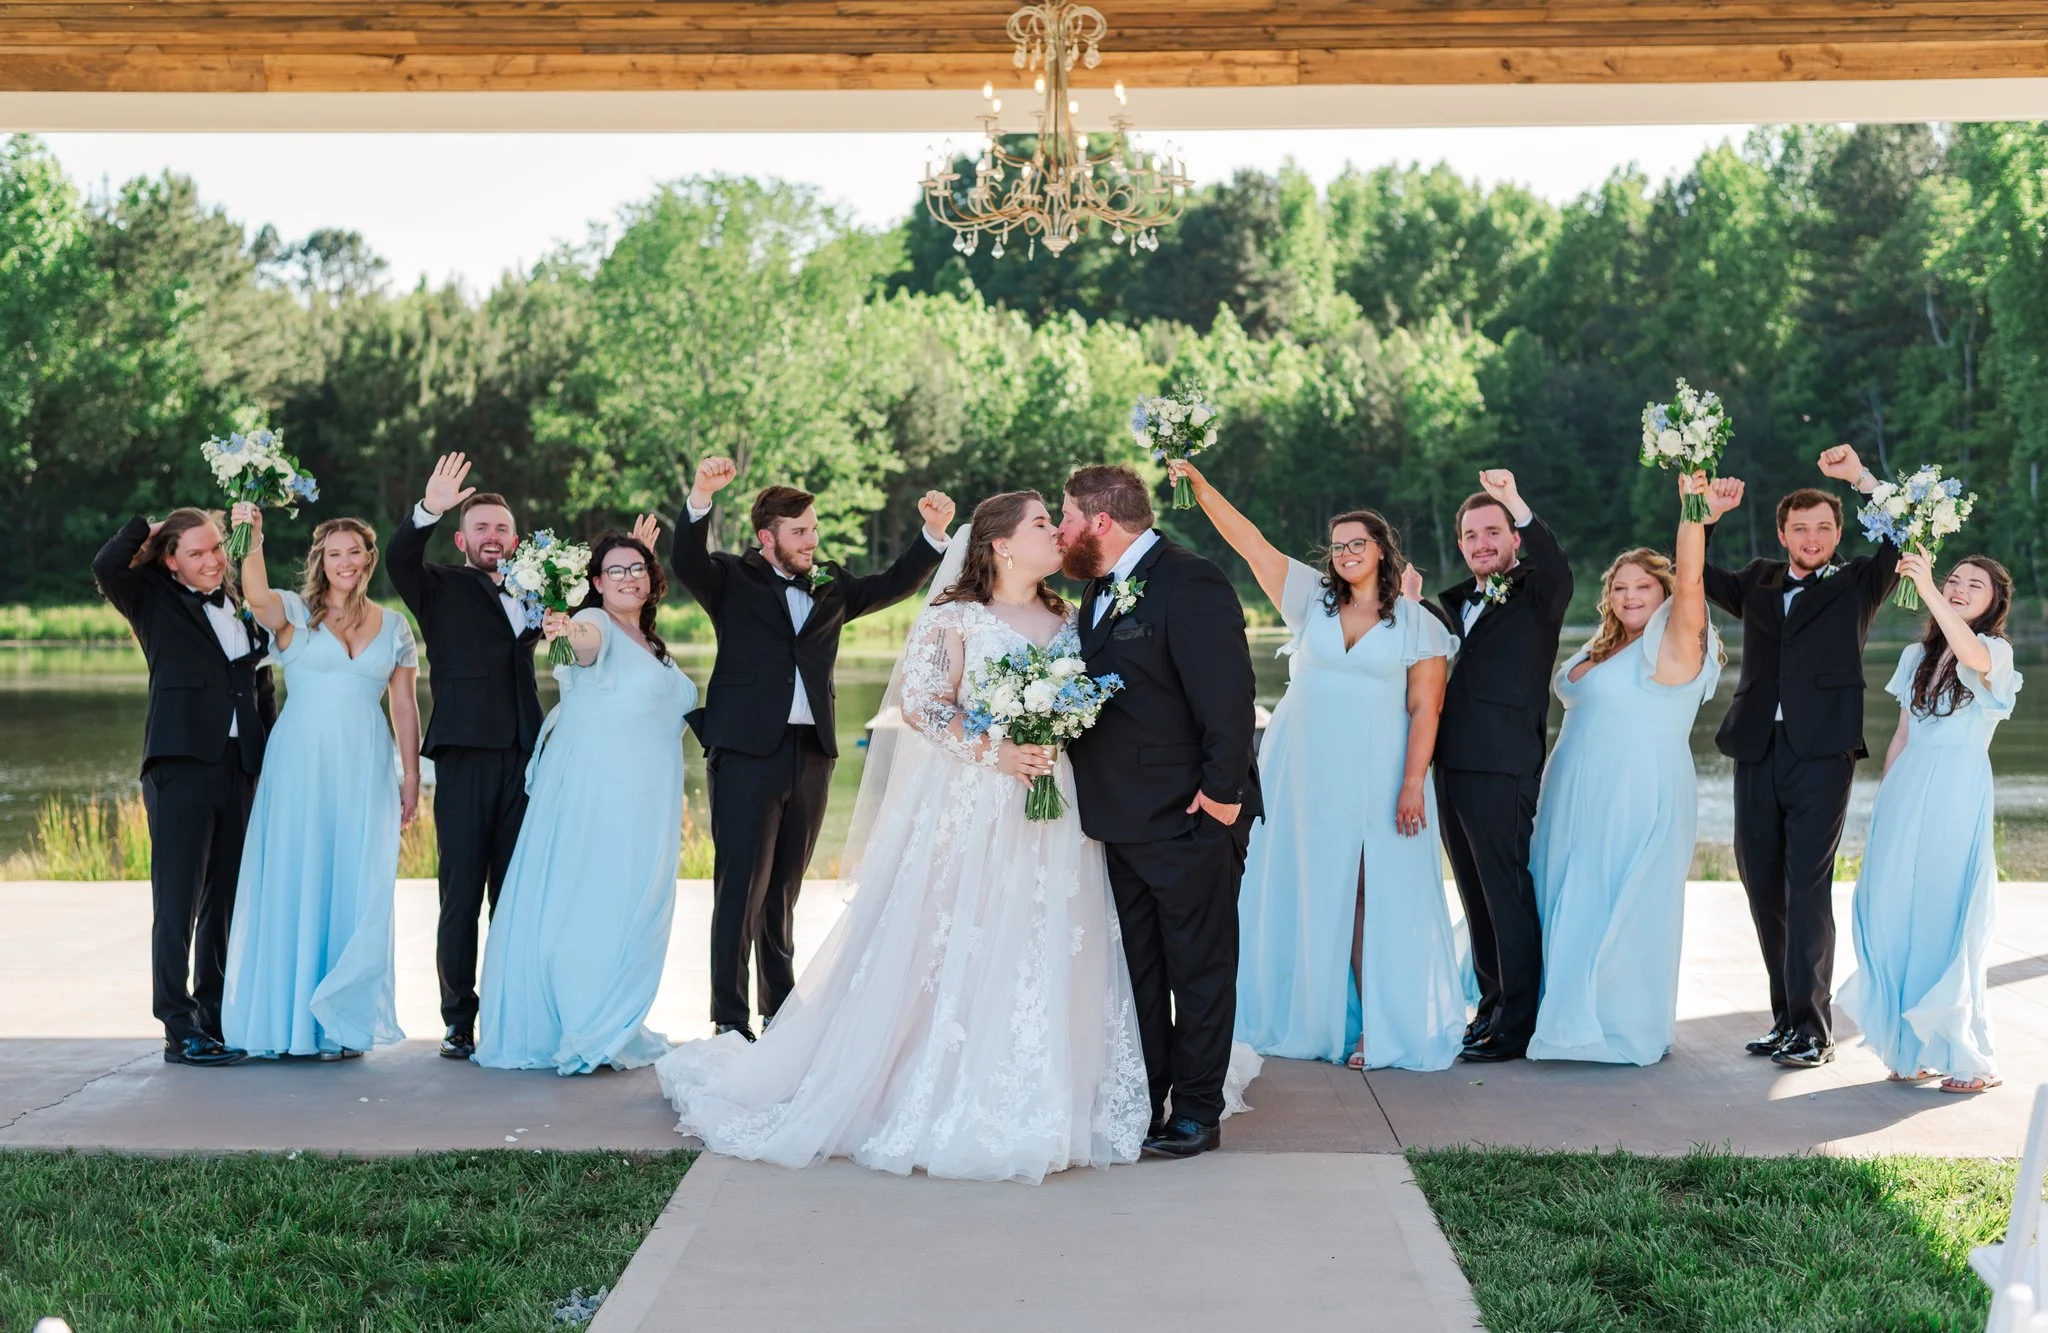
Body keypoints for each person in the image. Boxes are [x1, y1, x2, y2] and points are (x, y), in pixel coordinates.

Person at [659, 491, 1175, 1182]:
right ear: (1001, 544)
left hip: (1056, 808)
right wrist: (998, 750)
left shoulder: (1067, 614)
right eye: (1043, 523)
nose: (1058, 530)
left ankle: (1054, 1086)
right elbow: (922, 704)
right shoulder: (956, 616)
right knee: (958, 937)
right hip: (978, 802)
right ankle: (932, 1084)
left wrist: (1054, 732)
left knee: (1049, 934)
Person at [1169, 459, 1464, 1072]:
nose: (1347, 553)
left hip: (1377, 774)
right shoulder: (1311, 602)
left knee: (1366, 892)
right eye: (1338, 547)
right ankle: (1303, 1011)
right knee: (1299, 884)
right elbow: (1251, 544)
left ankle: (1373, 1027)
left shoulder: (1417, 625)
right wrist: (1201, 487)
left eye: (1358, 544)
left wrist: (1413, 785)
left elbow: (1425, 710)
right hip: (1300, 771)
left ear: (1383, 551)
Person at [670, 457, 952, 1042]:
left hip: (812, 756)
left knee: (784, 889)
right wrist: (701, 496)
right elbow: (686, 560)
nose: (811, 541)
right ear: (766, 537)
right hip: (746, 753)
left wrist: (930, 536)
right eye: (800, 532)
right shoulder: (729, 578)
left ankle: (778, 1008)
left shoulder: (830, 583)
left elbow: (891, 585)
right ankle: (728, 1017)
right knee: (739, 887)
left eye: (814, 530)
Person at [1062, 464, 1263, 1158]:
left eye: (1066, 519)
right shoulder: (1094, 589)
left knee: (1199, 969)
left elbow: (1230, 700)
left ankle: (1198, 1111)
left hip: (1189, 817)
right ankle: (1149, 1100)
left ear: (1100, 522)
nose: (1061, 533)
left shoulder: (1192, 580)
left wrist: (1220, 801)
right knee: (1140, 972)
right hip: (1116, 821)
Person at [474, 521, 700, 1074]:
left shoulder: (651, 642)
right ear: (595, 583)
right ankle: (583, 1021)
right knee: (595, 899)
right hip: (605, 795)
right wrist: (562, 627)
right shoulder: (593, 623)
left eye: (638, 568)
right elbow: (579, 647)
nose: (629, 577)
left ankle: (615, 1017)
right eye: (616, 570)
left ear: (651, 580)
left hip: (649, 800)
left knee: (633, 905)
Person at [1703, 444, 1896, 1069]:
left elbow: (1908, 532)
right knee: (1763, 884)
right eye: (1799, 528)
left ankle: (1814, 1029)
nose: (1811, 537)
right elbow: (1691, 576)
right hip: (1756, 748)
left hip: (1822, 753)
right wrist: (1700, 517)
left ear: (1838, 533)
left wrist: (1859, 477)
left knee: (1808, 886)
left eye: (1823, 527)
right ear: (1782, 532)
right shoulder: (1757, 579)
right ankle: (1785, 1019)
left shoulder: (1859, 581)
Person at [1526, 473, 1726, 1066]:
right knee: (1558, 892)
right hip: (1571, 794)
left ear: (1665, 596)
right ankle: (1544, 1008)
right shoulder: (1601, 646)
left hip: (1635, 790)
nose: (1630, 595)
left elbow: (1691, 580)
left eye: (1643, 586)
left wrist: (1695, 513)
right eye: (1619, 587)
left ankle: (1611, 1024)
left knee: (1613, 896)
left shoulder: (1674, 647)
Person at [219, 505, 419, 1060]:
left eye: (355, 551)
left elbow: (404, 708)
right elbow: (255, 596)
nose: (346, 561)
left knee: (358, 881)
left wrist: (411, 777)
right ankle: (291, 1024)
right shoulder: (294, 614)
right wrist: (252, 539)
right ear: (321, 561)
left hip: (366, 764)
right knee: (298, 875)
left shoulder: (396, 625)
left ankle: (341, 1022)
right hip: (300, 765)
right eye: (335, 553)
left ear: (369, 558)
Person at [92, 508, 277, 1067]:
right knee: (176, 901)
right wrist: (145, 527)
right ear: (171, 560)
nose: (212, 560)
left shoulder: (244, 610)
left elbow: (261, 691)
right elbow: (106, 565)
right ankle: (178, 1026)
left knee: (221, 902)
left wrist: (264, 763)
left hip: (237, 767)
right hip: (179, 767)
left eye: (217, 548)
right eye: (196, 552)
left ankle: (212, 1015)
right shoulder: (151, 598)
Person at [1840, 553, 2018, 1095]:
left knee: (1947, 914)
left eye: (1974, 585)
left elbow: (1966, 649)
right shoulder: (1917, 654)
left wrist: (1928, 588)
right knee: (1898, 911)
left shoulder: (1994, 651)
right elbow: (1902, 735)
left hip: (1957, 793)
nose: (1960, 588)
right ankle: (1910, 1047)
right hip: (1908, 790)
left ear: (1994, 602)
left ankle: (1968, 1056)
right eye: (1953, 580)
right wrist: (1885, 802)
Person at [387, 453, 544, 1061]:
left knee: (514, 892)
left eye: (502, 529)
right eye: (481, 528)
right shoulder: (439, 587)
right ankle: (459, 1019)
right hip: (463, 756)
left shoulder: (537, 592)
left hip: (525, 757)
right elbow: (401, 557)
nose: (493, 538)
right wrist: (429, 505)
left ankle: (510, 1010)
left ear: (515, 539)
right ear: (462, 538)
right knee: (461, 895)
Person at [1434, 470, 1573, 1063]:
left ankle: (1516, 1024)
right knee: (1475, 893)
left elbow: (1554, 559)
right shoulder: (1455, 603)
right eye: (1471, 535)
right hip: (1452, 763)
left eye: (1493, 531)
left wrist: (1516, 498)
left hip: (1501, 762)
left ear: (1513, 538)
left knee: (1505, 893)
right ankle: (1490, 1009)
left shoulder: (1541, 593)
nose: (1482, 542)